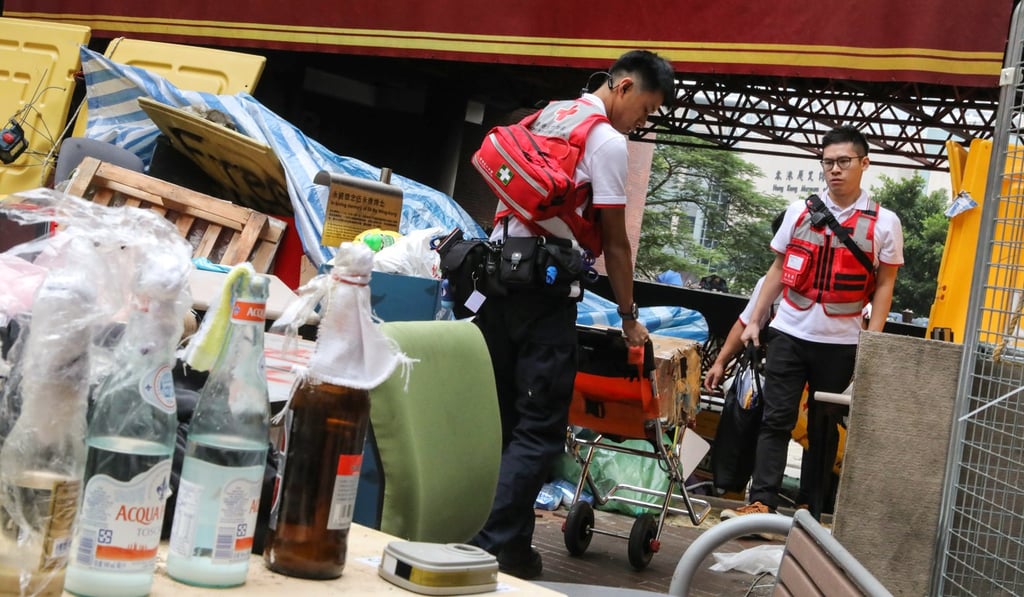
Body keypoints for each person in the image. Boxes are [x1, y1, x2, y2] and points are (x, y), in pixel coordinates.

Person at [469, 50, 676, 579]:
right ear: (624, 88)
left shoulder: (547, 114)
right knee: (539, 429)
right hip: (544, 295)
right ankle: (491, 547)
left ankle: (503, 542)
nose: (642, 122)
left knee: (501, 423)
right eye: (646, 110)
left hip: (494, 283)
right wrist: (629, 314)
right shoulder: (606, 141)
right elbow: (615, 241)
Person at [724, 125, 904, 522]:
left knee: (823, 429)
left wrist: (871, 344)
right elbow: (776, 270)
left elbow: (885, 286)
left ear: (864, 163)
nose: (835, 170)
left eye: (844, 162)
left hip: (842, 340)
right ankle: (763, 502)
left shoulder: (885, 223)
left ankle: (811, 507)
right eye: (828, 162)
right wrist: (755, 321)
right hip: (789, 331)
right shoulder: (799, 212)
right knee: (776, 417)